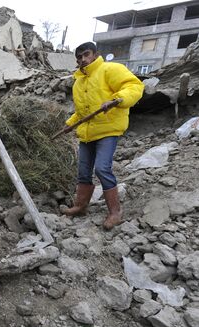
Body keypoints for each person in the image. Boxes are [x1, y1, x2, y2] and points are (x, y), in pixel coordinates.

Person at [61, 42, 144, 230]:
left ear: (96, 54)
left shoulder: (110, 69)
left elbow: (133, 86)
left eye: (86, 54)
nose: (83, 59)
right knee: (83, 171)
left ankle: (115, 212)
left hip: (108, 130)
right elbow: (83, 112)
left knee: (102, 169)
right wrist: (68, 124)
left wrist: (117, 99)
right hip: (87, 134)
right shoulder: (79, 83)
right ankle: (80, 206)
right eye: (79, 57)